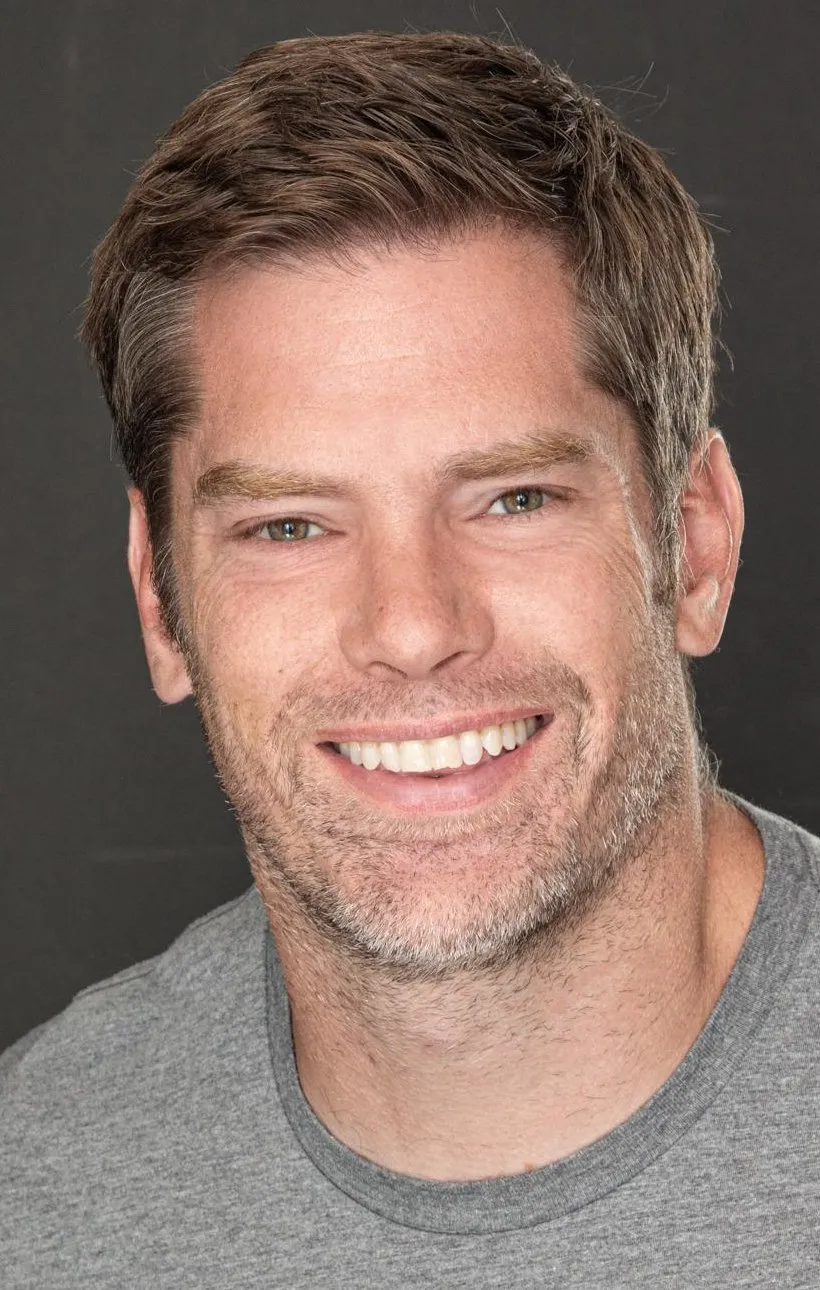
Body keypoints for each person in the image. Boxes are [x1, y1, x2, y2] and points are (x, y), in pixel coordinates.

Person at [2, 29, 818, 1288]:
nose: (412, 626)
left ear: (694, 547)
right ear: (161, 600)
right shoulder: (35, 1190)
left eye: (513, 499)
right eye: (288, 526)